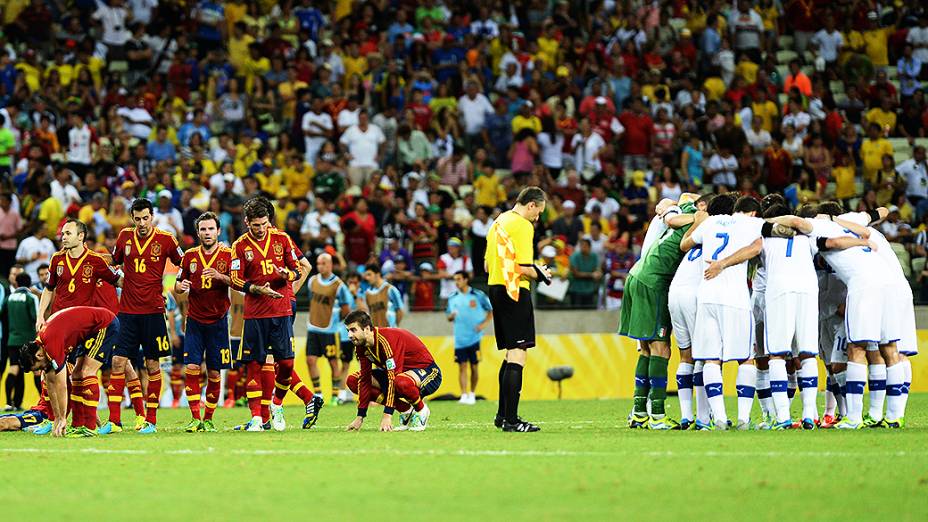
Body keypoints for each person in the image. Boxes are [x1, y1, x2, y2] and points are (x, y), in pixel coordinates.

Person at [680, 195, 806, 430]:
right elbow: (776, 236)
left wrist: (698, 222)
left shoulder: (710, 223)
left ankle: (717, 418)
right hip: (734, 299)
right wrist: (724, 263)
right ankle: (743, 419)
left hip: (707, 296)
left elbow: (684, 244)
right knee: (746, 358)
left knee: (710, 359)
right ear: (753, 213)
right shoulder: (752, 224)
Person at [619, 195, 699, 429]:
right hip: (654, 282)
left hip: (637, 275)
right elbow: (682, 199)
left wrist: (674, 209)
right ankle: (657, 415)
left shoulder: (685, 213)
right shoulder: (697, 220)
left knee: (645, 348)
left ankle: (639, 412)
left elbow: (683, 197)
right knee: (660, 348)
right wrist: (698, 214)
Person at [228, 197, 306, 432]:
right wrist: (254, 288)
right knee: (253, 365)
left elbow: (297, 269)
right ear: (247, 222)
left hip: (281, 311)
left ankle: (277, 404)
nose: (260, 229)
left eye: (263, 224)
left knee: (286, 363)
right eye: (255, 225)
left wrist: (287, 275)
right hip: (254, 314)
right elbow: (234, 278)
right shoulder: (239, 245)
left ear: (269, 221)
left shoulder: (282, 239)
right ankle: (256, 419)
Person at [107, 198, 183, 434]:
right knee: (117, 362)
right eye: (137, 219)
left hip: (153, 312)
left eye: (145, 218)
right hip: (127, 312)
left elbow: (186, 262)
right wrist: (114, 276)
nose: (141, 223)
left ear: (152, 217)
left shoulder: (166, 239)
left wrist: (180, 284)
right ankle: (114, 421)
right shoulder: (124, 237)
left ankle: (150, 420)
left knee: (152, 364)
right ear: (132, 218)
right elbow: (113, 262)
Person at [484, 186, 551, 432]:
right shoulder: (523, 225)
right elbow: (522, 267)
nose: (538, 218)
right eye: (539, 212)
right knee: (519, 353)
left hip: (495, 288)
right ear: (531, 205)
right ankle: (512, 420)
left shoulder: (498, 222)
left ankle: (502, 416)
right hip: (513, 290)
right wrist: (542, 273)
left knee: (510, 352)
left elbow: (486, 264)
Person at [172, 212, 234, 433]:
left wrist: (220, 277)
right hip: (195, 321)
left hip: (218, 322)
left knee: (215, 373)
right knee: (191, 367)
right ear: (198, 233)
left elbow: (237, 282)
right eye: (203, 229)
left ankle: (208, 418)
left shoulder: (228, 255)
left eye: (211, 229)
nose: (207, 233)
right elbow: (177, 285)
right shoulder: (189, 257)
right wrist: (181, 287)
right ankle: (195, 418)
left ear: (218, 231)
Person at [20, 306, 121, 437]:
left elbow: (61, 385)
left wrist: (62, 418)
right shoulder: (43, 344)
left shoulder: (51, 343)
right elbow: (50, 381)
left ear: (38, 356)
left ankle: (89, 427)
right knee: (76, 374)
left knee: (87, 371)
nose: (41, 370)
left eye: (38, 367)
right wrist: (55, 417)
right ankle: (78, 425)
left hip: (104, 324)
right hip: (89, 331)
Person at [344, 310, 442, 432]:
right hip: (398, 376)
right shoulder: (360, 347)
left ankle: (421, 410)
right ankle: (406, 410)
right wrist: (360, 416)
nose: (349, 335)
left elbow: (393, 377)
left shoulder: (387, 340)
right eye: (348, 331)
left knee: (399, 381)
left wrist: (387, 415)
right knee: (354, 381)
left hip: (428, 372)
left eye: (353, 330)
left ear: (367, 328)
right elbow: (365, 380)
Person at [305, 252, 353, 407]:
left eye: (324, 263)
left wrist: (335, 321)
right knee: (310, 360)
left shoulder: (339, 285)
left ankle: (335, 394)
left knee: (333, 362)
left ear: (331, 264)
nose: (321, 266)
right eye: (318, 263)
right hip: (313, 328)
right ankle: (318, 393)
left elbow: (346, 308)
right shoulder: (312, 281)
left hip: (330, 331)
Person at [446, 271, 492, 405]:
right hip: (460, 338)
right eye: (455, 279)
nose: (456, 282)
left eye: (459, 279)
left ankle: (472, 393)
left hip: (474, 338)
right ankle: (464, 394)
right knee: (462, 367)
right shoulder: (452, 297)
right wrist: (451, 317)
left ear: (466, 280)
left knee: (474, 367)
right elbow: (448, 316)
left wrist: (483, 324)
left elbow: (490, 310)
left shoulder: (477, 295)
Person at [4, 272, 37, 411]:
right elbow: (35, 318)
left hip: (12, 340)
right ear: (29, 284)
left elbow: (4, 317)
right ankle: (45, 400)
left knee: (13, 369)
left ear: (16, 284)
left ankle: (9, 402)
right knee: (36, 371)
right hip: (28, 340)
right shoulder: (30, 297)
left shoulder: (9, 298)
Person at [363, 262, 404, 327]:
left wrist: (394, 327)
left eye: (369, 275)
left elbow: (400, 311)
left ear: (377, 274)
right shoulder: (367, 294)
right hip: (376, 332)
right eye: (366, 275)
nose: (367, 278)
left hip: (390, 331)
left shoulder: (390, 289)